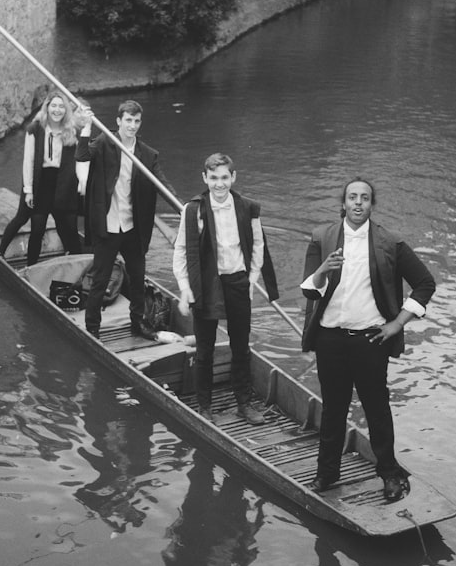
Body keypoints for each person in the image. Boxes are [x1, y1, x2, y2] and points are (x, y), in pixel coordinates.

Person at [300, 177, 436, 501]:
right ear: (343, 203)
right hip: (330, 340)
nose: (358, 203)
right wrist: (323, 269)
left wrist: (396, 324)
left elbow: (425, 283)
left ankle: (389, 474)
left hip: (371, 340)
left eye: (365, 198)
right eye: (352, 197)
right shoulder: (322, 237)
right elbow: (308, 289)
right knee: (333, 409)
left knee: (376, 408)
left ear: (372, 205)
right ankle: (327, 474)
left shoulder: (390, 242)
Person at [172, 153, 278, 425]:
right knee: (205, 350)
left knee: (241, 347)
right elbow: (181, 252)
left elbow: (257, 246)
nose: (220, 184)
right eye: (214, 178)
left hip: (237, 282)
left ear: (234, 177)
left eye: (224, 178)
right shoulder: (192, 210)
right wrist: (186, 288)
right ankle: (204, 407)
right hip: (207, 284)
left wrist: (251, 280)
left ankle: (244, 404)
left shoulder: (248, 207)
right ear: (204, 178)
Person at [76, 100, 176, 340]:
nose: (132, 125)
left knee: (138, 278)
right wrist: (87, 127)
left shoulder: (147, 155)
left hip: (132, 228)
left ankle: (137, 324)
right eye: (128, 120)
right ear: (119, 121)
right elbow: (82, 156)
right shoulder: (104, 143)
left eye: (136, 121)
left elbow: (162, 185)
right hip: (108, 225)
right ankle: (92, 328)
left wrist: (183, 208)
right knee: (100, 280)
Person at [0, 90, 90, 264]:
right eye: (53, 105)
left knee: (68, 226)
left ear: (66, 110)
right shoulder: (35, 129)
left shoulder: (71, 130)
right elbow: (28, 162)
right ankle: (19, 261)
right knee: (36, 228)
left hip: (62, 183)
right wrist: (28, 190)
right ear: (47, 108)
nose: (57, 110)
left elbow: (84, 152)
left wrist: (87, 122)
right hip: (40, 182)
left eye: (61, 106)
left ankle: (77, 262)